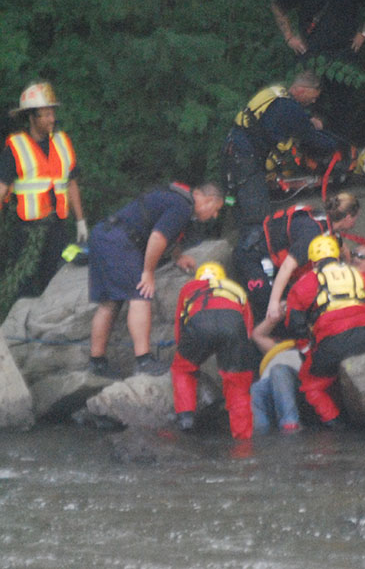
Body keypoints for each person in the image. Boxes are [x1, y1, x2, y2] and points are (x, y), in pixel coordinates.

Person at [87, 182, 225, 378]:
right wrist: (148, 272)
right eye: (216, 210)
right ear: (209, 200)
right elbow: (158, 237)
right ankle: (143, 360)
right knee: (141, 294)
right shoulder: (183, 207)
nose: (215, 216)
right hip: (120, 240)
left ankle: (97, 362)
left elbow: (168, 233)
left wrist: (177, 257)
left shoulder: (179, 200)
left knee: (110, 303)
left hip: (104, 234)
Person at [0, 81, 87, 297]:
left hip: (57, 227)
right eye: (45, 114)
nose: (52, 119)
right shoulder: (16, 147)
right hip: (26, 230)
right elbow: (0, 186)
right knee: (23, 283)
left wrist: (81, 221)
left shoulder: (63, 142)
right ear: (31, 117)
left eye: (52, 113)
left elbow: (71, 183)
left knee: (56, 281)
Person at [271, 0, 365, 143]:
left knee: (342, 109)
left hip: (343, 56)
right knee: (308, 109)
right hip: (310, 56)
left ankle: (340, 156)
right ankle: (307, 155)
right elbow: (278, 6)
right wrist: (289, 37)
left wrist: (363, 32)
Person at [285, 234, 365, 428]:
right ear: (338, 256)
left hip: (333, 343)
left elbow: (294, 326)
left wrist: (307, 349)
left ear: (313, 261)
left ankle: (335, 424)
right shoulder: (360, 275)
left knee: (310, 385)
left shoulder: (305, 283)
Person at [222, 70, 338, 233]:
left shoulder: (276, 97)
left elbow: (278, 122)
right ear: (301, 90)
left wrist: (308, 122)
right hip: (247, 160)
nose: (314, 101)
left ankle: (235, 238)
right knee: (257, 215)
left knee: (234, 202)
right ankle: (253, 249)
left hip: (232, 151)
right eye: (313, 96)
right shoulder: (289, 108)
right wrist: (336, 145)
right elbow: (310, 139)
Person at [232, 191, 360, 323]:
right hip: (252, 254)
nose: (355, 222)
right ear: (348, 217)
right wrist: (273, 303)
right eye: (356, 218)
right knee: (268, 303)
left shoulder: (326, 224)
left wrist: (350, 267)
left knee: (294, 301)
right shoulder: (312, 234)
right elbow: (287, 266)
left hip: (272, 260)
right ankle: (259, 335)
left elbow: (343, 248)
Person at [170, 262, 255, 440]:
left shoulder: (189, 288)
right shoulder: (235, 289)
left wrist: (184, 351)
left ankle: (186, 418)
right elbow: (247, 328)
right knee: (237, 382)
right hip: (233, 325)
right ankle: (243, 439)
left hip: (200, 322)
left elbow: (181, 323)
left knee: (182, 368)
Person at [249, 308, 304, 434]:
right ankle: (260, 433)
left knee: (278, 371)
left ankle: (290, 424)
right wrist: (279, 312)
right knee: (255, 389)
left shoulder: (306, 343)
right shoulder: (276, 347)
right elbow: (257, 335)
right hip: (269, 382)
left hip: (294, 377)